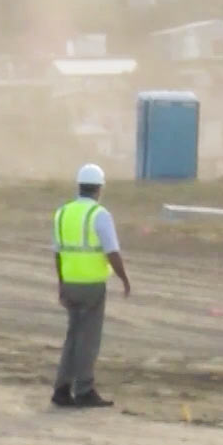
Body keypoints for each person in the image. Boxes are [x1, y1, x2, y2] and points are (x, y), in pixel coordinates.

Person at [52, 163, 131, 409]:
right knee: (88, 340)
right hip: (92, 286)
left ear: (80, 186)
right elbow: (112, 252)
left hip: (70, 283)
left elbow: (58, 253)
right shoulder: (100, 215)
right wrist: (124, 278)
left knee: (73, 337)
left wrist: (62, 283)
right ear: (99, 189)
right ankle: (84, 390)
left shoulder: (63, 213)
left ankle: (62, 389)